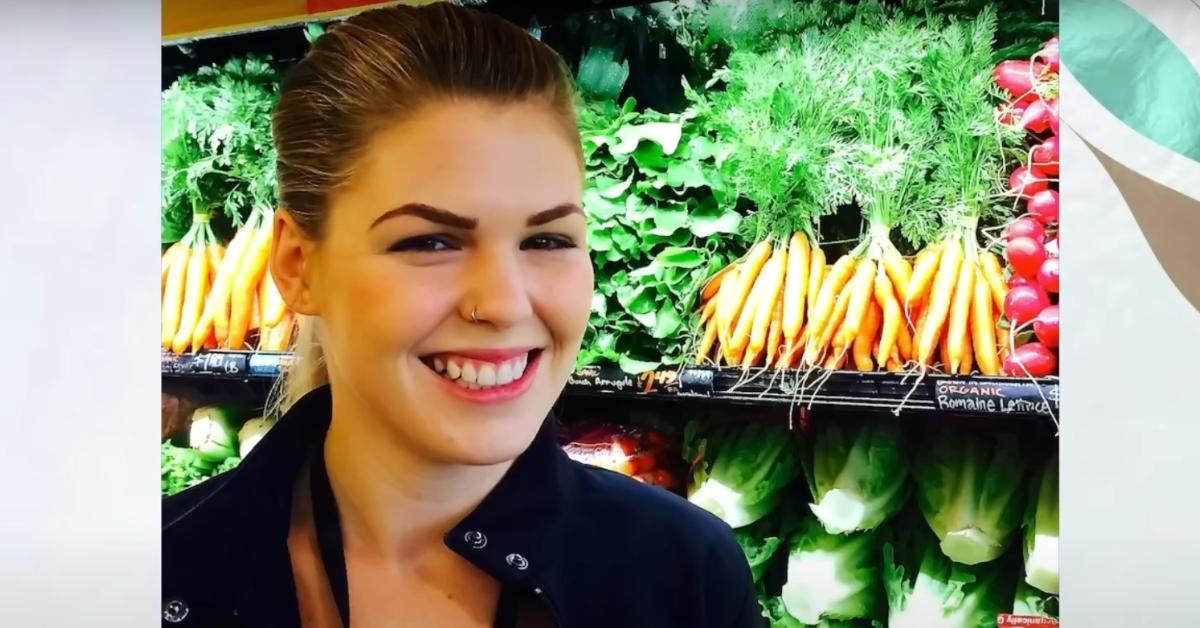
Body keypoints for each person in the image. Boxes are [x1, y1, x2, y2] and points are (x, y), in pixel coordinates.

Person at [162, 3, 762, 627]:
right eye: (428, 242)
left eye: (547, 240)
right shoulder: (152, 574)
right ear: (298, 266)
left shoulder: (685, 576)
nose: (503, 305)